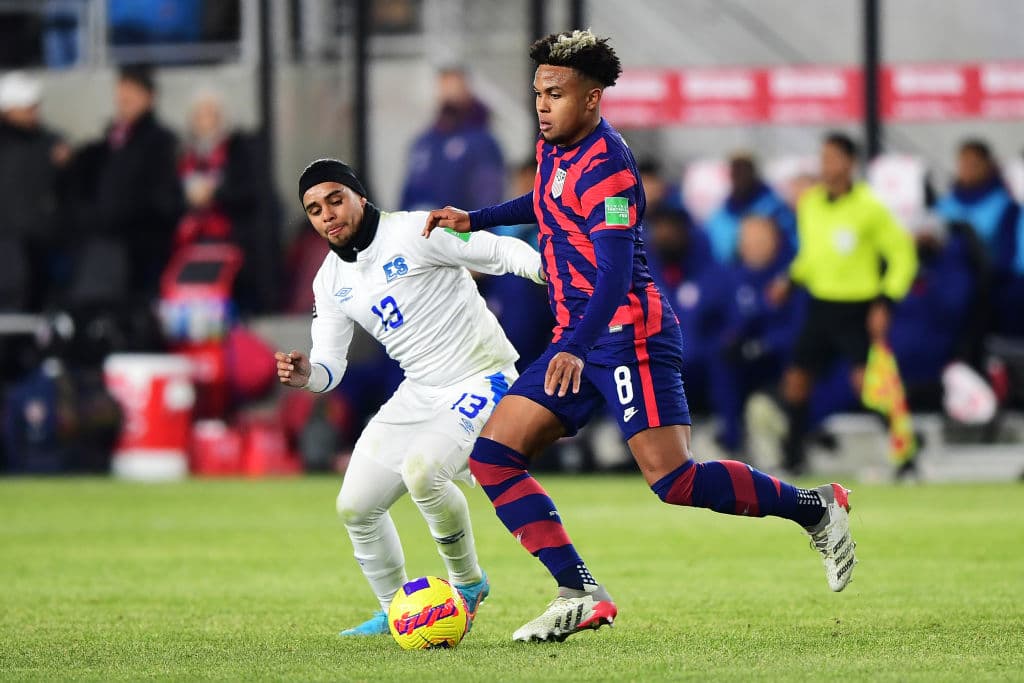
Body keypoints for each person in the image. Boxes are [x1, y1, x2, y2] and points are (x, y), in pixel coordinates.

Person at [423, 30, 857, 644]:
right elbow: (546, 201)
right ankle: (579, 591)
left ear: (593, 99)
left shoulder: (610, 167)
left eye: (556, 94)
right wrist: (479, 219)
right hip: (579, 336)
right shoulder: (555, 148)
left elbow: (616, 274)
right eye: (538, 93)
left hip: (630, 335)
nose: (542, 105)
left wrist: (574, 344)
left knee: (673, 480)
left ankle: (817, 507)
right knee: (493, 456)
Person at [275, 159, 545, 636]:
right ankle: (397, 609)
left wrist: (552, 272)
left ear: (360, 195)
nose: (327, 215)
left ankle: (467, 585)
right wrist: (306, 375)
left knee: (425, 472)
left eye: (335, 199)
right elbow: (330, 368)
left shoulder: (416, 231)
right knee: (354, 506)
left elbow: (499, 251)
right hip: (419, 390)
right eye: (315, 209)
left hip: (481, 377)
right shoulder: (329, 280)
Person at [769, 132, 918, 474]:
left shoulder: (870, 207)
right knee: (796, 379)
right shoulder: (810, 204)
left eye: (833, 158)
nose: (826, 165)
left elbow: (902, 255)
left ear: (850, 162)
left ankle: (906, 454)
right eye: (823, 158)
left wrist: (886, 300)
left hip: (858, 307)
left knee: (870, 385)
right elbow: (812, 255)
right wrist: (790, 279)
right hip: (821, 304)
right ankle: (793, 456)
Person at [67, 64, 183, 297]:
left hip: (137, 245)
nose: (124, 98)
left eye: (131, 91)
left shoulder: (159, 141)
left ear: (148, 97)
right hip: (103, 242)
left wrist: (123, 218)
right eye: (121, 91)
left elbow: (159, 196)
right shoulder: (108, 144)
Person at [177, 88, 282, 313]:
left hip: (235, 243)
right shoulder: (185, 157)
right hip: (192, 245)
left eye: (211, 114)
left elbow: (251, 194)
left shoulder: (241, 151)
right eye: (200, 115)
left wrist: (214, 194)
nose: (206, 122)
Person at [0, 71, 70, 311]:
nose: (34, 113)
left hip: (40, 243)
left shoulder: (49, 142)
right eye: (28, 107)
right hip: (8, 244)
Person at [399, 67, 505, 212]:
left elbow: (489, 193)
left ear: (466, 92)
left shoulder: (481, 142)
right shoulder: (423, 142)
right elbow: (408, 192)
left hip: (461, 230)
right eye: (444, 88)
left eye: (455, 89)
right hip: (422, 228)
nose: (449, 96)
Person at [704, 152, 797, 265]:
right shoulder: (721, 214)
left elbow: (791, 243)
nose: (740, 176)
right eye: (736, 171)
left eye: (745, 170)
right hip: (734, 275)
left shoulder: (775, 208)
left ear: (753, 172)